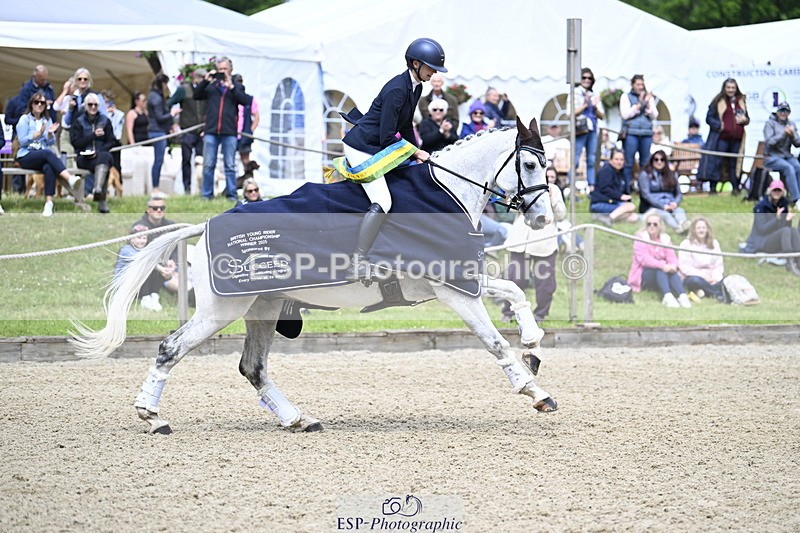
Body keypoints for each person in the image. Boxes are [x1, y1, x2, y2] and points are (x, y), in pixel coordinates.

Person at [333, 37, 446, 281]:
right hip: (361, 147)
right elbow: (387, 136)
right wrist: (415, 153)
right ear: (415, 63)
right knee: (383, 200)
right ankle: (356, 262)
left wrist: (417, 153)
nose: (435, 73)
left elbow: (405, 126)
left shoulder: (416, 87)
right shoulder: (397, 89)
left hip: (376, 145)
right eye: (431, 67)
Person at [502, 170, 567, 322]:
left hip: (544, 242)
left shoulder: (554, 190)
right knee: (515, 279)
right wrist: (516, 199)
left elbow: (561, 215)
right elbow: (511, 208)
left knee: (545, 282)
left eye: (552, 177)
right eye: (547, 176)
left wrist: (552, 199)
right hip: (520, 241)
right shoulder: (524, 186)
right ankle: (509, 313)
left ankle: (540, 314)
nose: (548, 179)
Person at [15, 91, 84, 217]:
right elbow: (22, 141)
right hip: (26, 155)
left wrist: (51, 134)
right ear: (31, 104)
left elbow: (50, 142)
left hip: (42, 155)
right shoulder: (24, 119)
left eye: (42, 103)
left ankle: (49, 203)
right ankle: (69, 178)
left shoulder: (47, 120)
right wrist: (36, 135)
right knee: (47, 153)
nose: (39, 105)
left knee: (49, 167)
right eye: (37, 102)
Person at [194, 56, 250, 200]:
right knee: (208, 165)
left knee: (230, 165)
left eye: (225, 69)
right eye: (220, 69)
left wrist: (232, 88)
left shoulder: (237, 86)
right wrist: (206, 80)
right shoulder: (211, 86)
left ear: (231, 70)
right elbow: (197, 95)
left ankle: (231, 194)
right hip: (211, 130)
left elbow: (245, 101)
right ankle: (207, 195)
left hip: (229, 131)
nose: (222, 71)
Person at [696, 78, 749, 195]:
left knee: (734, 163)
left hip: (737, 139)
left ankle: (735, 188)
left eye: (733, 88)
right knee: (717, 162)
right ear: (724, 88)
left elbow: (747, 118)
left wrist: (745, 120)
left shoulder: (741, 101)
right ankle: (713, 188)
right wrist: (720, 125)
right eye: (728, 87)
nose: (731, 90)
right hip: (721, 138)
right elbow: (709, 118)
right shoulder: (717, 101)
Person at [627, 213, 692, 308]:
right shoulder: (640, 239)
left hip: (663, 273)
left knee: (671, 271)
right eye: (649, 224)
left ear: (660, 226)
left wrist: (673, 266)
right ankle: (667, 296)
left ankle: (682, 295)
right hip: (643, 275)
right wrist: (663, 265)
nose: (652, 226)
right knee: (661, 269)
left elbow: (671, 256)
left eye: (655, 224)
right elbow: (644, 259)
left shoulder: (665, 239)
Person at [131, 196, 181, 310]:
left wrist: (174, 261)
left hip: (171, 265)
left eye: (162, 208)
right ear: (148, 210)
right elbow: (140, 253)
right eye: (155, 208)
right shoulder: (139, 227)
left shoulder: (171, 226)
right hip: (152, 269)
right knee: (178, 283)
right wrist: (165, 265)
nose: (159, 210)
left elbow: (178, 247)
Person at [69, 93, 116, 213]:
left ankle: (97, 189)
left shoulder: (105, 120)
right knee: (105, 160)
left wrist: (98, 152)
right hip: (84, 158)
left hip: (100, 155)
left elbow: (111, 141)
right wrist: (93, 135)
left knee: (105, 157)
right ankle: (101, 200)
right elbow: (76, 143)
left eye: (95, 105)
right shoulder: (79, 121)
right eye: (90, 105)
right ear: (85, 106)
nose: (93, 107)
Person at [744, 179, 800, 276]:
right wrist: (776, 219)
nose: (777, 193)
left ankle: (798, 260)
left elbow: (785, 232)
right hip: (763, 241)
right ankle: (789, 262)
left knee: (793, 230)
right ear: (770, 191)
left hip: (777, 240)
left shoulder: (783, 206)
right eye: (775, 190)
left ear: (783, 192)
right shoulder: (760, 207)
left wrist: (788, 220)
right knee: (786, 230)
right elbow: (762, 229)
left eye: (779, 190)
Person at [168, 68, 207, 194]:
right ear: (195, 78)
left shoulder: (206, 91)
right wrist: (173, 122)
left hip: (202, 131)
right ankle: (187, 188)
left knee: (202, 162)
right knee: (186, 160)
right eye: (201, 78)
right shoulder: (183, 90)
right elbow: (169, 103)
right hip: (187, 131)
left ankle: (202, 188)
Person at [620, 74, 658, 193]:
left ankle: (644, 189)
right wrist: (639, 105)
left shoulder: (649, 98)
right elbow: (625, 114)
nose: (640, 87)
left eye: (642, 84)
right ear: (632, 85)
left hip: (646, 133)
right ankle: (626, 189)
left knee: (645, 163)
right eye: (638, 84)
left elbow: (654, 115)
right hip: (631, 133)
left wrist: (648, 105)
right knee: (628, 162)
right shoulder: (626, 96)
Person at [638, 150, 689, 233]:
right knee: (665, 214)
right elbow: (646, 195)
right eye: (656, 159)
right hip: (653, 207)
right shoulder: (645, 174)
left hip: (670, 204)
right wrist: (662, 206)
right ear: (652, 161)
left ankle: (683, 224)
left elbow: (679, 194)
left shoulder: (672, 174)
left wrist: (675, 203)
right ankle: (678, 228)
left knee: (680, 211)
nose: (659, 162)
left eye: (662, 160)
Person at [147, 74, 180, 197]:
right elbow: (160, 117)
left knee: (158, 160)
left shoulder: (154, 95)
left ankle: (155, 188)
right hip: (157, 131)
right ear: (162, 83)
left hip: (158, 130)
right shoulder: (156, 97)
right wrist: (172, 114)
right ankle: (155, 189)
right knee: (158, 160)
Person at [763, 102, 800, 210]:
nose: (783, 113)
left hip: (786, 156)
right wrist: (783, 134)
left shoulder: (791, 124)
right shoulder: (770, 123)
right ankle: (796, 199)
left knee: (797, 166)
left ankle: (798, 196)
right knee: (789, 168)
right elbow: (769, 143)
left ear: (789, 112)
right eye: (781, 110)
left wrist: (792, 135)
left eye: (786, 111)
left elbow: (797, 143)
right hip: (771, 157)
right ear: (777, 112)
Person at [678, 217, 725, 301]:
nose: (701, 230)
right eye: (698, 228)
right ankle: (718, 294)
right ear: (694, 230)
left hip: (712, 276)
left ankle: (707, 291)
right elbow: (685, 267)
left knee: (725, 280)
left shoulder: (714, 243)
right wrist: (704, 276)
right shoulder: (686, 244)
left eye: (703, 228)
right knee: (695, 281)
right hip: (694, 276)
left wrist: (714, 278)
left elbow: (718, 265)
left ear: (707, 229)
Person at [574, 68, 605, 189]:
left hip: (592, 129)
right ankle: (571, 186)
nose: (587, 80)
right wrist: (585, 105)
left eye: (589, 78)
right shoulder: (575, 93)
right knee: (575, 159)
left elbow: (602, 116)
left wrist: (595, 106)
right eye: (584, 77)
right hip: (580, 129)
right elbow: (570, 113)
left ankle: (591, 186)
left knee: (591, 159)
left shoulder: (594, 95)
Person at [589, 148, 638, 225]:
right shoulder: (607, 170)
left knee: (633, 217)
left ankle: (600, 217)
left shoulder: (621, 172)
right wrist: (620, 196)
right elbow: (605, 188)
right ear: (610, 160)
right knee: (630, 206)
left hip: (613, 203)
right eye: (616, 159)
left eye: (621, 160)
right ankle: (610, 218)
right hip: (600, 203)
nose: (619, 162)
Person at [232, 73, 260, 187]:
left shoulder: (249, 99)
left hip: (244, 134)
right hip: (232, 133)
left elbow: (256, 116)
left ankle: (249, 183)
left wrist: (250, 130)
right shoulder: (231, 98)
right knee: (230, 160)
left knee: (245, 160)